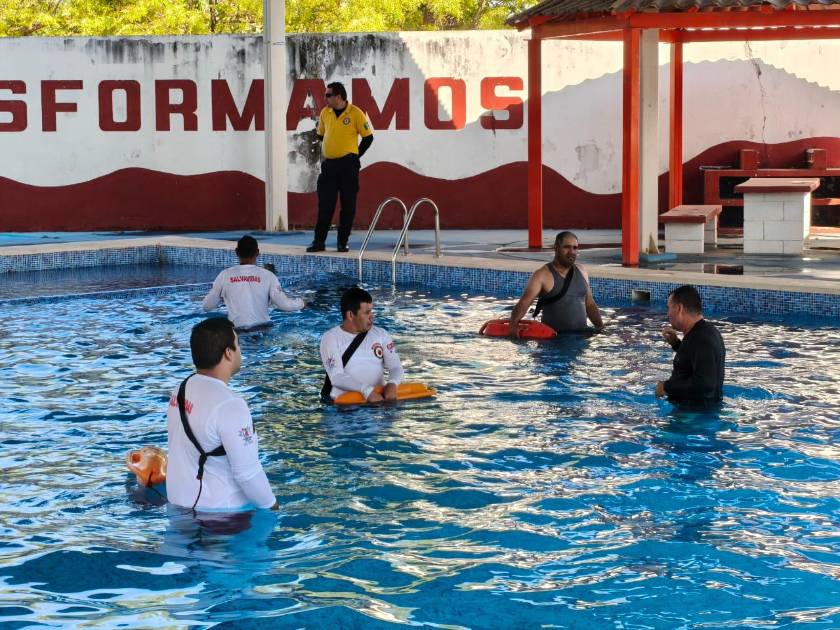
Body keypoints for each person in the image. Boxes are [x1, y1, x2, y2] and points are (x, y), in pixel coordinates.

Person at [166, 317, 279, 512]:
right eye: (238, 344)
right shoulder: (230, 405)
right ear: (228, 353)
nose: (240, 350)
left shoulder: (181, 389)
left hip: (179, 507)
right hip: (222, 517)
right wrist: (273, 507)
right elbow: (247, 474)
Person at [306, 81, 374, 253]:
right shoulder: (325, 113)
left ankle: (342, 242)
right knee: (325, 205)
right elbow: (321, 135)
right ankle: (319, 242)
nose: (325, 98)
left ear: (338, 97)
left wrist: (355, 155)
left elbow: (368, 137)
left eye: (328, 95)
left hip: (348, 166)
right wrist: (332, 147)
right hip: (329, 166)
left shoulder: (355, 113)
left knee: (348, 205)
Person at [508, 231, 604, 336]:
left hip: (581, 337)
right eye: (567, 247)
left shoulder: (582, 271)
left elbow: (590, 304)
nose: (571, 252)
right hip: (554, 340)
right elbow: (524, 303)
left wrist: (600, 327)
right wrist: (513, 325)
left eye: (575, 248)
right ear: (556, 248)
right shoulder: (542, 275)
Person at [319, 287, 404, 402]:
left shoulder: (381, 334)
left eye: (371, 311)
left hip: (378, 402)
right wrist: (366, 391)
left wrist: (393, 383)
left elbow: (396, 366)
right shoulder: (331, 338)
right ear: (350, 315)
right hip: (345, 406)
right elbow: (337, 377)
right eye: (367, 312)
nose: (372, 316)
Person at [202, 235, 303, 330]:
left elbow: (207, 306)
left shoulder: (225, 275)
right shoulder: (269, 276)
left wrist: (220, 297)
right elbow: (285, 305)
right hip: (263, 328)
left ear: (236, 252)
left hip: (237, 331)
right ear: (257, 252)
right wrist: (302, 303)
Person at [656, 285, 725, 404]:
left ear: (679, 308)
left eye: (669, 308)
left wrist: (666, 387)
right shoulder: (707, 332)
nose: (668, 314)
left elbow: (705, 384)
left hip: (694, 413)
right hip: (698, 409)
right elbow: (696, 360)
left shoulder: (701, 339)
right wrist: (676, 344)